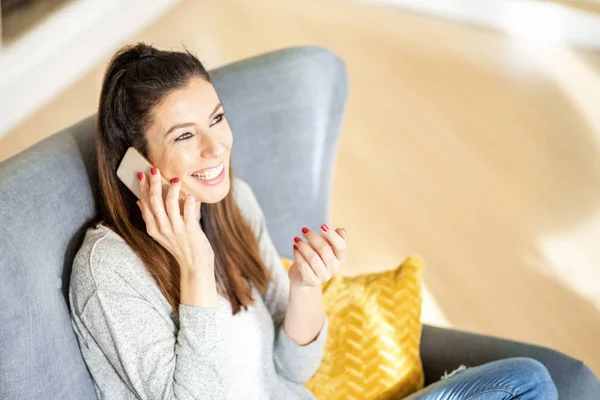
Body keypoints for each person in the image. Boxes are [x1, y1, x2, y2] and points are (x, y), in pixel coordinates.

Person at [68, 43, 558, 400]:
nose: (216, 148)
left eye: (217, 119)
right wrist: (195, 267)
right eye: (184, 136)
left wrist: (304, 285)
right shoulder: (108, 269)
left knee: (525, 379)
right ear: (137, 165)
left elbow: (294, 369)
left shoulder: (231, 204)